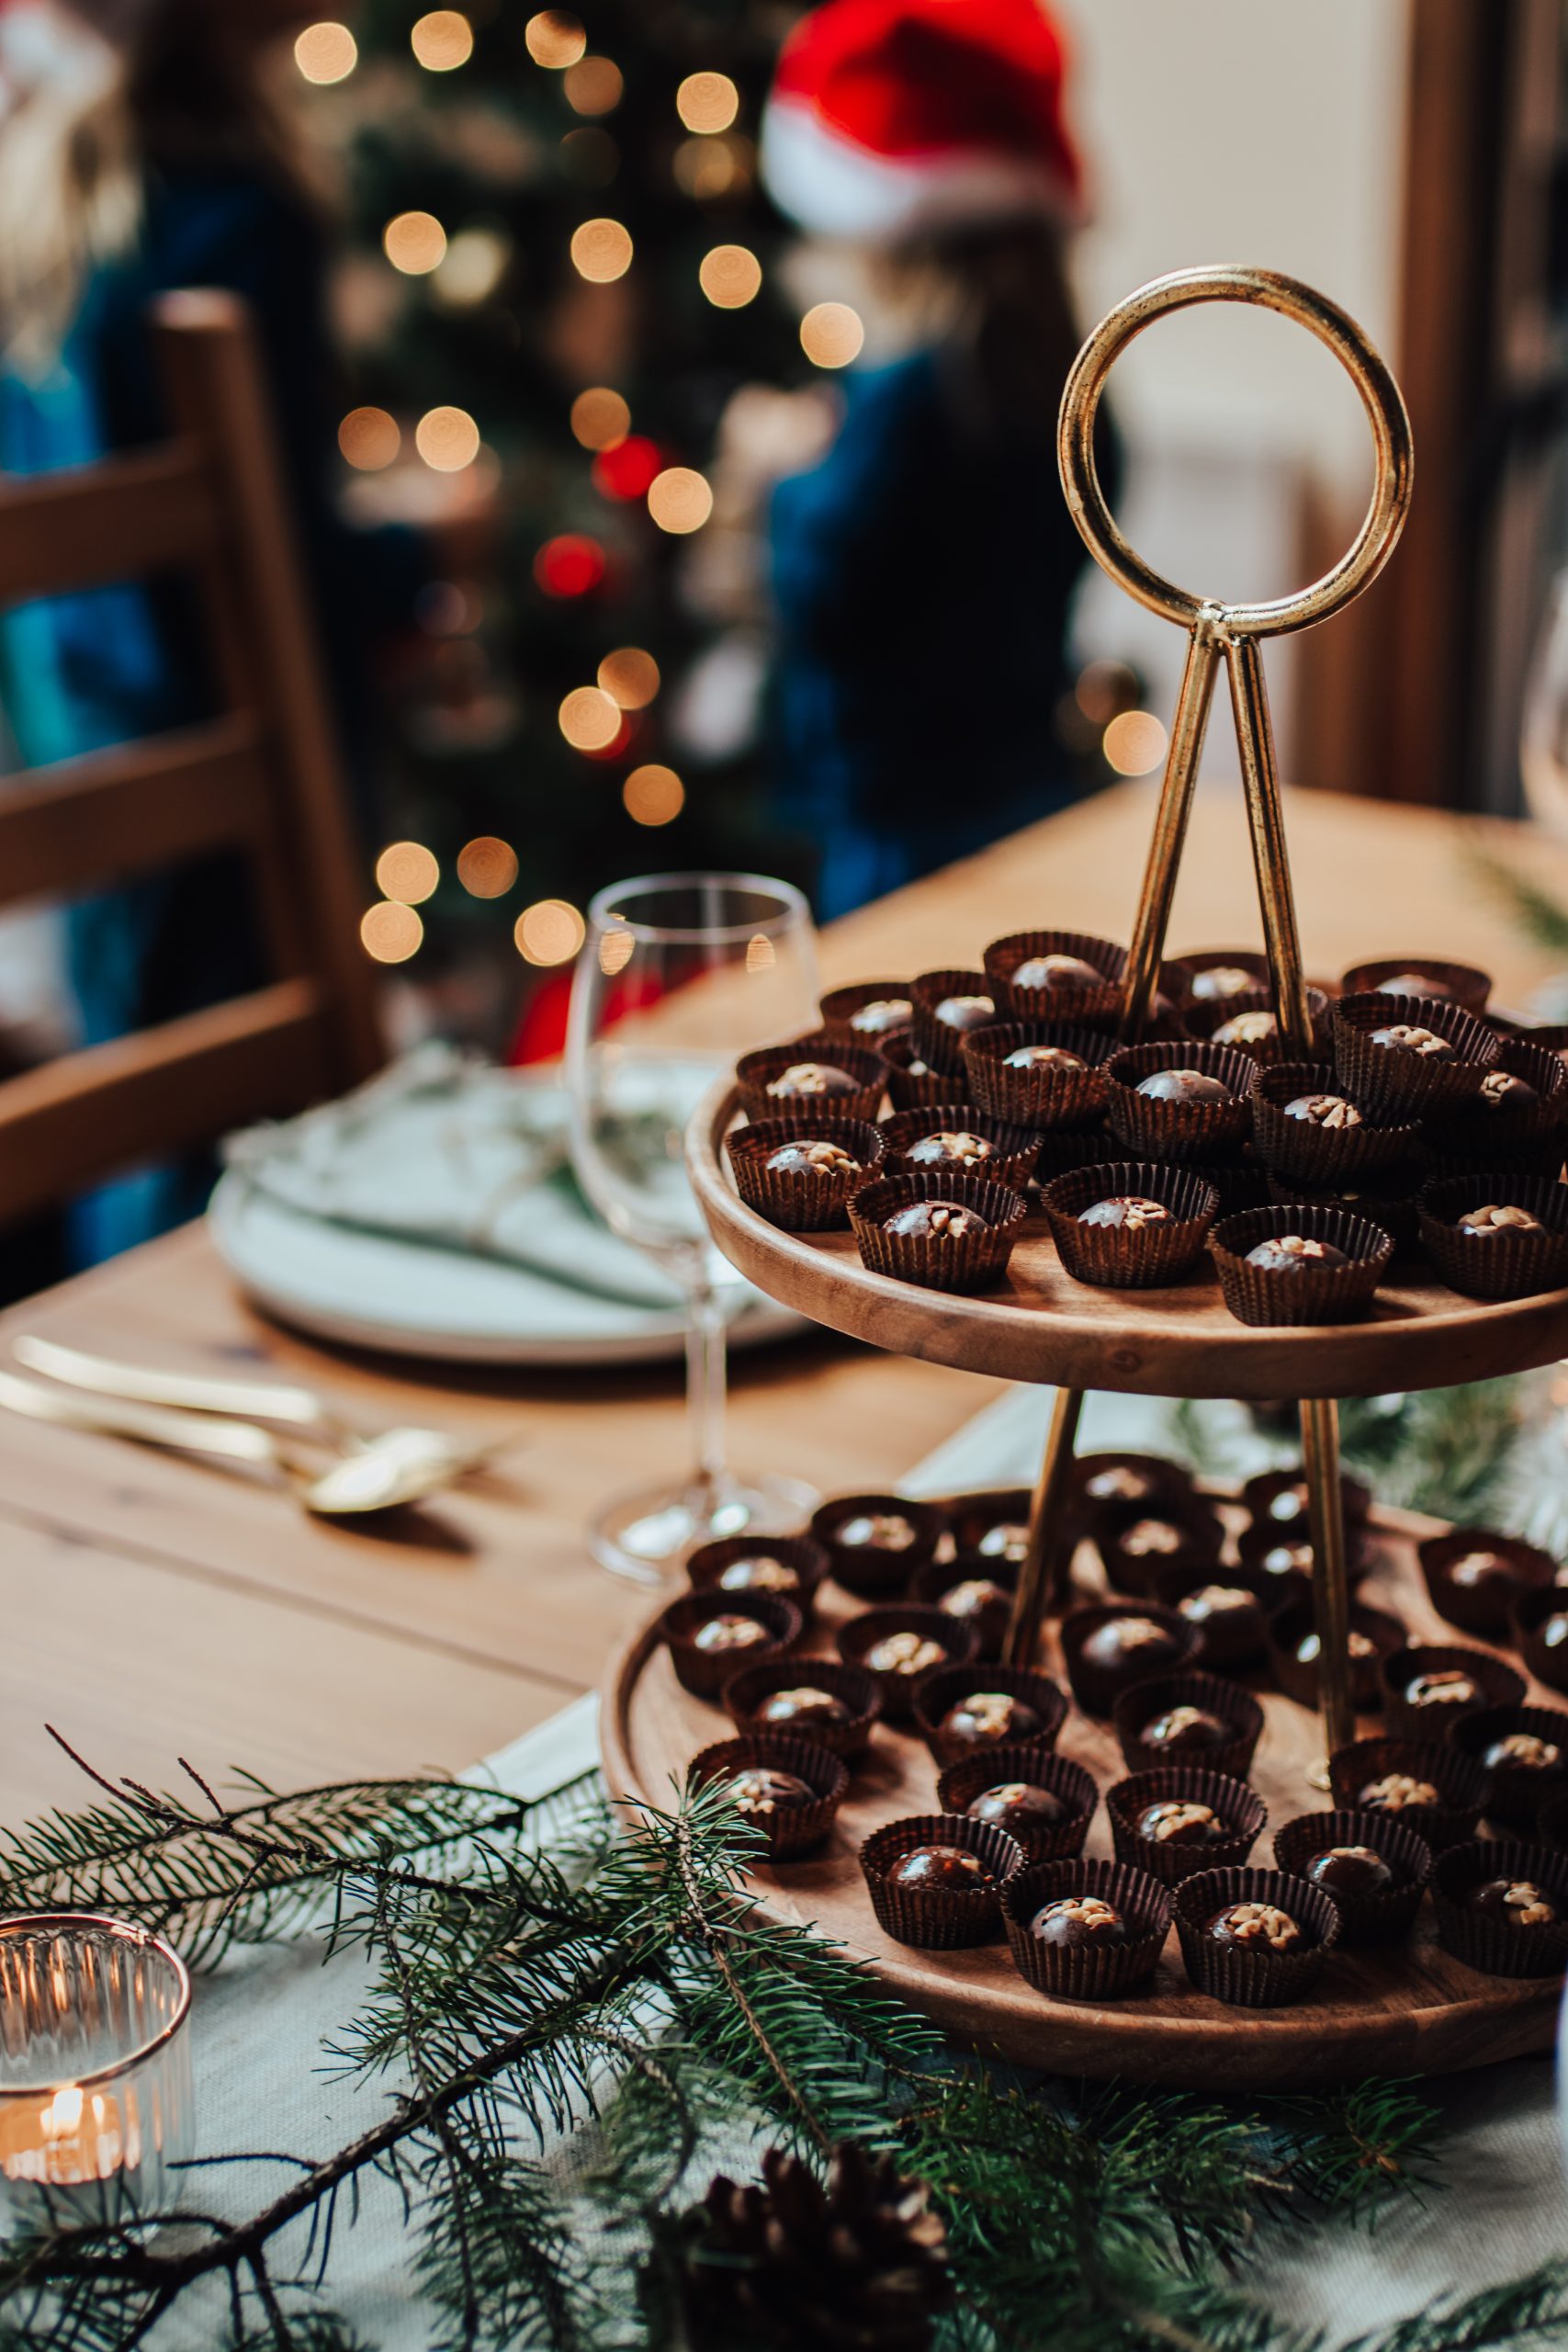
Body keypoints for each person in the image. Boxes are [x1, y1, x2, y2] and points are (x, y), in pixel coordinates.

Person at [0, 0, 428, 1261]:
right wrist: (423, 553)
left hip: (81, 737)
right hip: (232, 741)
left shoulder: (47, 200)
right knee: (238, 1129)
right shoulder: (237, 214)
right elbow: (282, 578)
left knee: (136, 1071)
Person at [758, 0, 1115, 919]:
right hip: (1027, 782)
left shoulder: (908, 400)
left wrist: (787, 478)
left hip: (901, 819)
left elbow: (827, 590)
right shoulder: (1072, 388)